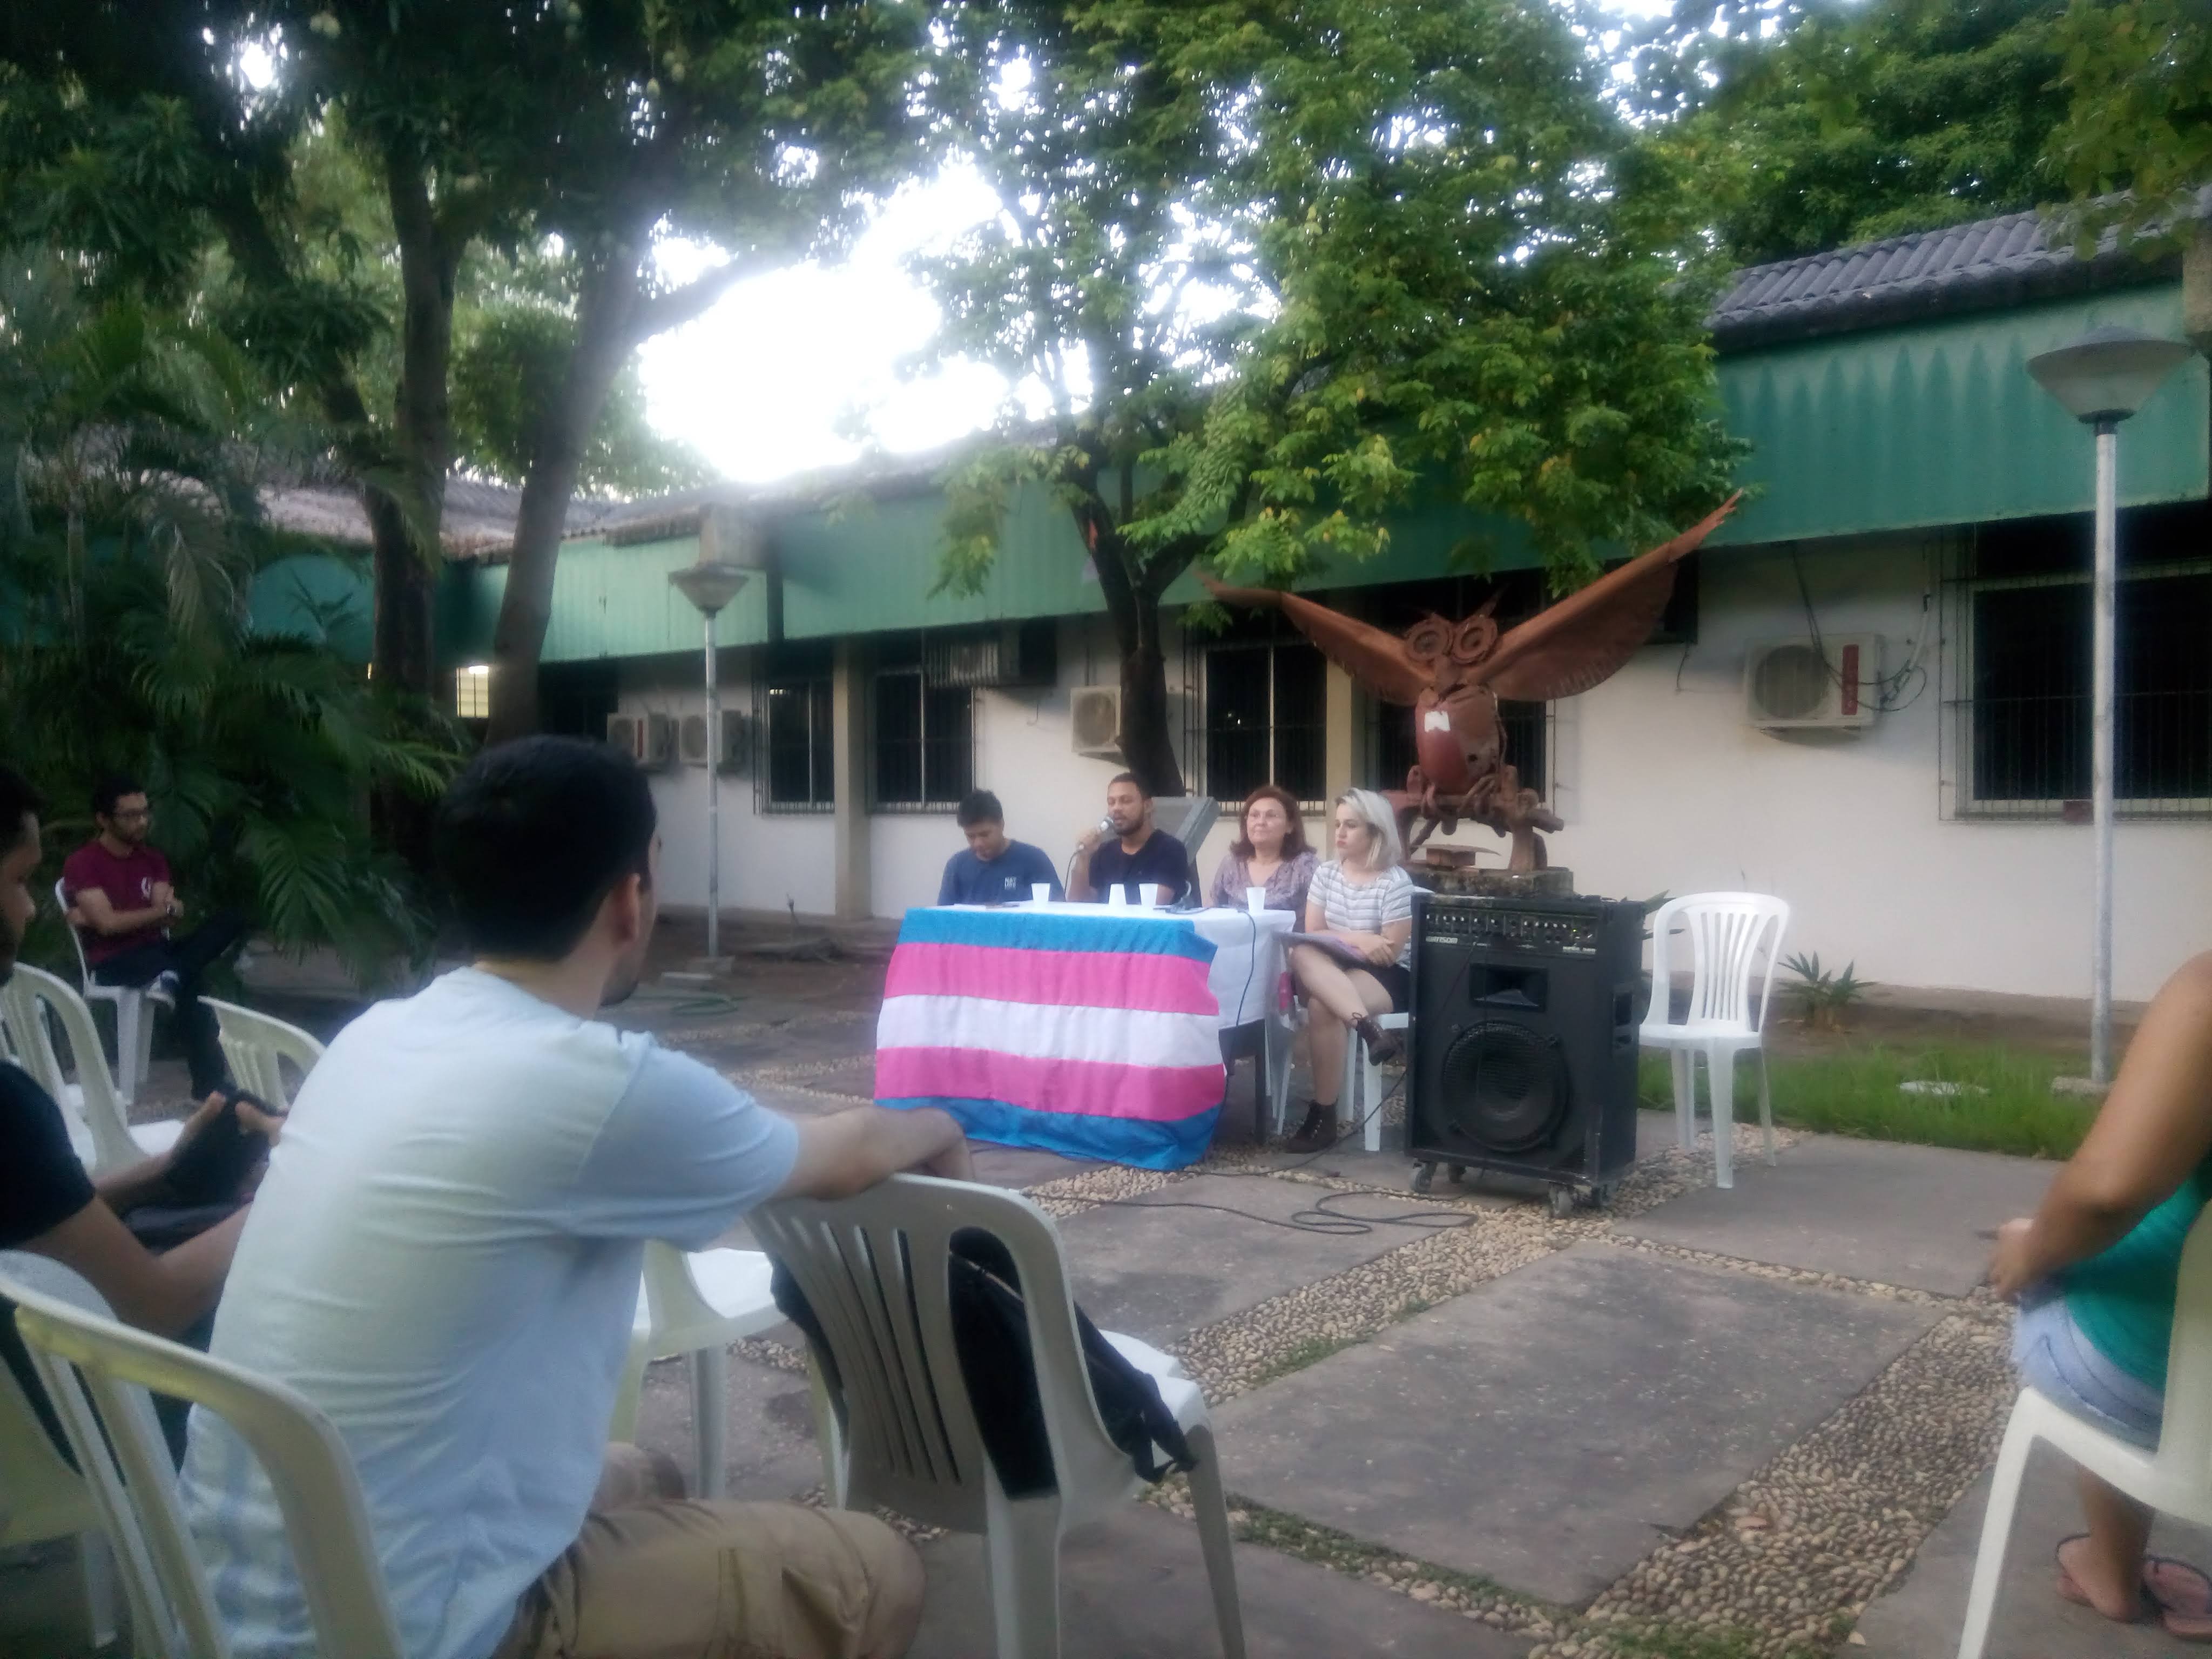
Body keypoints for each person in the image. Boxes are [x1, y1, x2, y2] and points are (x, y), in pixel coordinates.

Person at [183, 736, 967, 1659]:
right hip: (419, 1629)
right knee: (876, 1571)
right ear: (630, 899)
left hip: (240, 1598)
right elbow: (848, 1153)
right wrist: (941, 1121)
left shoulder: (374, 1037)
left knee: (649, 1474)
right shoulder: (602, 1087)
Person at [0, 762, 275, 1462]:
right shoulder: (8, 1108)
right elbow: (153, 1308)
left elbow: (33, 1222)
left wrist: (164, 1170)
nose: (30, 910)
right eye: (20, 882)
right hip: (111, 1427)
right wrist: (294, 1188)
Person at [1986, 952, 2212, 1640]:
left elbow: (2103, 1195)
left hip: (2173, 1389)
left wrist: (2029, 1249)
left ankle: (2110, 1570)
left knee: (2067, 1270)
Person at [62, 775, 247, 1098]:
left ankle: (171, 975)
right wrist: (157, 913)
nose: (142, 821)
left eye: (145, 812)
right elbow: (109, 926)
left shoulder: (152, 859)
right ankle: (209, 1084)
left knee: (232, 919)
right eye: (130, 815)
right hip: (115, 961)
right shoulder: (84, 863)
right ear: (103, 819)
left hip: (158, 950)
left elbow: (169, 915)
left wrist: (159, 912)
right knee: (191, 981)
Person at [1283, 789, 1414, 1154]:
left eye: (1351, 825)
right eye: (1338, 824)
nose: (1339, 833)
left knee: (1322, 1006)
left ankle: (1323, 1115)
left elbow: (1388, 953)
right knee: (1301, 951)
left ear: (1376, 831)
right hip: (1331, 965)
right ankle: (1367, 1029)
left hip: (1387, 975)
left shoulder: (1395, 883)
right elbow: (1314, 932)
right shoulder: (1326, 873)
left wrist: (1344, 941)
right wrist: (1359, 938)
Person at [1070, 772, 1191, 906]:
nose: (1116, 808)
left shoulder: (1170, 850)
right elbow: (1077, 906)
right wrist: (1083, 859)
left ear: (1147, 806)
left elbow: (1154, 908)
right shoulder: (1102, 852)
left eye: (1126, 801)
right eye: (1111, 803)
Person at [1206, 784, 1318, 917]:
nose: (1261, 822)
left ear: (1290, 826)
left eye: (1271, 816)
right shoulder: (1232, 864)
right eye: (1254, 815)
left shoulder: (1305, 866)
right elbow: (1210, 912)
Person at [938, 788, 1063, 905]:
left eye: (985, 835)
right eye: (971, 836)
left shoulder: (1034, 860)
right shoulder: (957, 866)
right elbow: (943, 916)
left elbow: (1058, 909)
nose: (978, 843)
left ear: (1002, 825)